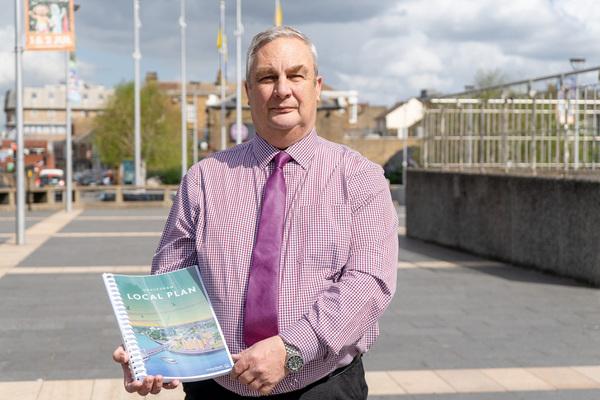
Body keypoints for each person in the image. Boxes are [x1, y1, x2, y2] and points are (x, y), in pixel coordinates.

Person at [113, 26, 398, 399]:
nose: (282, 89)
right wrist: (152, 352)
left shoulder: (360, 178)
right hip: (217, 389)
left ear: (317, 86)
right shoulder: (203, 179)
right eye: (267, 77)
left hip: (321, 386)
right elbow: (171, 279)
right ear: (248, 92)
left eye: (296, 75)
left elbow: (369, 282)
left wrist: (292, 349)